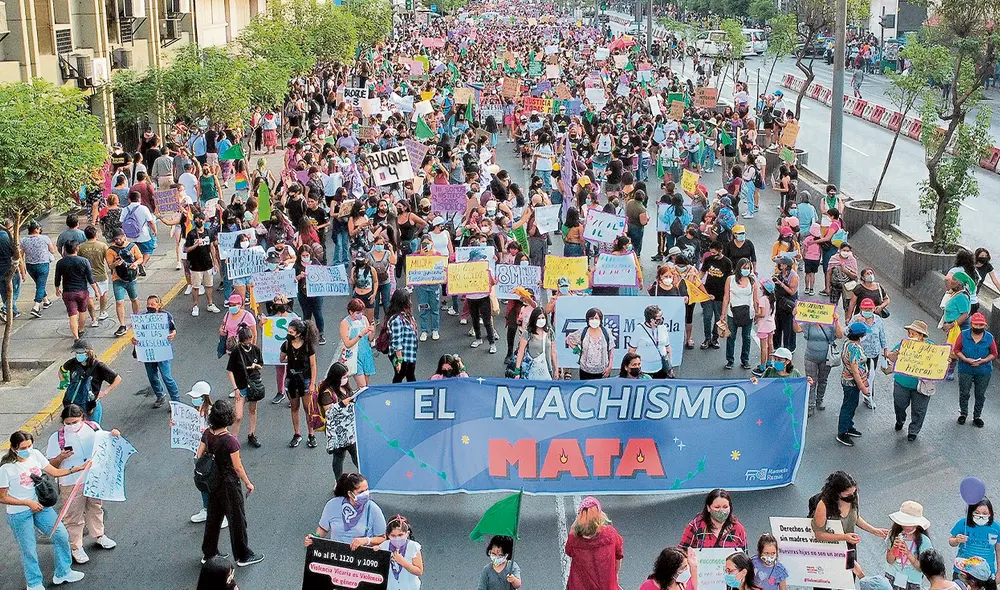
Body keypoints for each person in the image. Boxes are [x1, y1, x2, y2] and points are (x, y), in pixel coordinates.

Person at [1, 430, 88, 589]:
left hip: (40, 505)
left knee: (61, 534)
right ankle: (34, 584)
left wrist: (78, 469)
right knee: (28, 549)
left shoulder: (34, 454)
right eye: (23, 447)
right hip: (19, 512)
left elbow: (54, 471)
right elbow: (2, 497)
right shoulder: (6, 468)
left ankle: (63, 572)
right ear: (13, 448)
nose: (28, 449)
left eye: (29, 445)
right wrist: (27, 503)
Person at [44, 404, 119, 564]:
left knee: (95, 507)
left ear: (83, 418)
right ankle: (76, 546)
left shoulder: (94, 428)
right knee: (73, 516)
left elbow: (106, 444)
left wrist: (113, 435)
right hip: (70, 481)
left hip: (93, 478)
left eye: (75, 422)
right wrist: (61, 457)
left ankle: (99, 534)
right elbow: (51, 466)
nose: (71, 426)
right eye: (68, 423)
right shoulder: (56, 439)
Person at [197, 399, 264, 567]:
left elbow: (199, 456)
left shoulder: (207, 434)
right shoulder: (230, 441)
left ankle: (209, 552)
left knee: (213, 517)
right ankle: (242, 555)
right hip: (228, 484)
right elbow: (238, 467)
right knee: (237, 519)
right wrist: (248, 483)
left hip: (213, 482)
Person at [811, 470, 890, 576]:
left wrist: (874, 530)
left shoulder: (854, 496)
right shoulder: (823, 505)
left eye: (854, 492)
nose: (852, 496)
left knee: (849, 579)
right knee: (826, 578)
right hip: (829, 548)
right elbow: (819, 535)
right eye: (848, 494)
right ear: (836, 493)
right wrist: (844, 537)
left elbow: (855, 518)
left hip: (849, 545)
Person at [307, 472, 387, 548]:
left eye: (367, 490)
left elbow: (383, 538)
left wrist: (367, 540)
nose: (366, 494)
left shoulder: (373, 509)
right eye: (361, 492)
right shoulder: (332, 505)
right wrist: (314, 538)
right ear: (350, 494)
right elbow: (323, 529)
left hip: (362, 557)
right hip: (337, 554)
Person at [885, 320, 933, 441]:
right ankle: (900, 420)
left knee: (919, 410)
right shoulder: (904, 344)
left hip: (921, 385)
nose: (910, 336)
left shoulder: (931, 347)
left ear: (921, 335)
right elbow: (890, 357)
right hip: (902, 382)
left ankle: (913, 431)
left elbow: (939, 363)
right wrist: (893, 355)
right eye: (909, 333)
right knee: (899, 404)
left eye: (913, 334)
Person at [565, 496, 624, 590]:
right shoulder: (611, 534)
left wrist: (573, 528)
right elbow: (619, 555)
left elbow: (568, 551)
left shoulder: (574, 538)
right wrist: (615, 575)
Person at [133, 294, 179, 408]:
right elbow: (138, 334)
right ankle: (160, 395)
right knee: (152, 376)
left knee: (167, 377)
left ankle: (175, 400)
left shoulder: (166, 316)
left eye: (152, 304)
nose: (150, 306)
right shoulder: (142, 318)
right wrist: (134, 340)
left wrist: (172, 334)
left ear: (159, 305)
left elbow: (173, 330)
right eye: (148, 304)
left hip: (162, 352)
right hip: (149, 353)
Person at [60, 339, 121, 424]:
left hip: (91, 406)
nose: (78, 355)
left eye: (81, 353)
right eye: (77, 353)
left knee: (93, 432)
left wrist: (105, 392)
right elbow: (61, 370)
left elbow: (117, 379)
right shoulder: (73, 362)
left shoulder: (99, 366)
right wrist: (63, 381)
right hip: (74, 405)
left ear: (88, 353)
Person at [795, 313, 844, 416]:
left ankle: (819, 400)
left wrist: (837, 321)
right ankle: (810, 405)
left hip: (826, 358)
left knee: (823, 380)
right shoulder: (809, 323)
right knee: (811, 381)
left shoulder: (830, 324)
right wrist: (794, 317)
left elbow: (840, 335)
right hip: (810, 357)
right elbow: (797, 329)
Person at [281, 318, 319, 448]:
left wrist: (312, 383)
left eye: (291, 331)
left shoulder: (308, 346)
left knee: (307, 408)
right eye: (288, 331)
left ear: (298, 333)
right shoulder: (286, 344)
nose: (289, 333)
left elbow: (313, 365)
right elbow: (282, 358)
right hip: (292, 379)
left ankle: (311, 434)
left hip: (306, 379)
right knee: (294, 407)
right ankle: (297, 433)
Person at [317, 362, 359, 479]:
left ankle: (363, 478)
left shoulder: (344, 387)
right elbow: (329, 412)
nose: (346, 379)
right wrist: (341, 404)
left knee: (356, 455)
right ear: (336, 377)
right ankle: (338, 481)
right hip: (337, 432)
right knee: (339, 457)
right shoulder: (326, 392)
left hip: (350, 429)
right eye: (343, 377)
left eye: (346, 377)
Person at [954, 312, 996, 427]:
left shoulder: (989, 338)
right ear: (971, 324)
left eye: (980, 325)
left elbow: (994, 353)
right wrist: (966, 359)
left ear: (985, 326)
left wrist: (983, 361)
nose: (978, 327)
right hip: (965, 369)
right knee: (964, 392)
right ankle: (963, 413)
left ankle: (977, 416)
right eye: (976, 325)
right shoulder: (963, 335)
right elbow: (957, 350)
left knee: (980, 394)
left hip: (983, 371)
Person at [53, 239, 99, 341]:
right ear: (77, 249)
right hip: (82, 291)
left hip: (68, 292)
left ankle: (76, 337)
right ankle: (81, 330)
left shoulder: (60, 263)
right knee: (82, 311)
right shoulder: (84, 261)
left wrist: (57, 288)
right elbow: (90, 278)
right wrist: (96, 291)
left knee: (72, 315)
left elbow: (57, 278)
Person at [225, 325, 263, 446]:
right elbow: (230, 371)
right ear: (242, 340)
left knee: (253, 410)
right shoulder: (236, 352)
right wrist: (235, 388)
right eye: (247, 339)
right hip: (241, 386)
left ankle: (251, 434)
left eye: (250, 338)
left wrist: (255, 366)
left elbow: (261, 364)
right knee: (238, 415)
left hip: (253, 383)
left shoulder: (255, 349)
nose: (250, 341)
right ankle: (233, 439)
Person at [848, 298, 888, 409]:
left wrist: (885, 348)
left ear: (874, 309)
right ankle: (852, 399)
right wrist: (856, 323)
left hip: (873, 353)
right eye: (865, 308)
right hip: (859, 354)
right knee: (856, 375)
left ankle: (868, 398)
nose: (867, 310)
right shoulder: (856, 318)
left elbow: (882, 335)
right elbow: (846, 332)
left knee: (870, 376)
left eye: (869, 309)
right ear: (860, 309)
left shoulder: (878, 320)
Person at [884, 501, 933, 590]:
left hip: (912, 581)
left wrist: (908, 553)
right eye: (904, 522)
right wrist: (893, 549)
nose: (907, 526)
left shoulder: (924, 541)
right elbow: (890, 561)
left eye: (910, 523)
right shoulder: (893, 534)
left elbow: (922, 569)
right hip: (892, 576)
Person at [679, 488, 748, 550]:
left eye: (725, 507)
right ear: (709, 508)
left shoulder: (738, 529)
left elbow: (744, 558)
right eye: (717, 507)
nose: (722, 511)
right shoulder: (696, 525)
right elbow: (682, 551)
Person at [837, 322, 870, 447]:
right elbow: (855, 370)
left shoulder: (848, 343)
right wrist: (863, 387)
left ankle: (848, 426)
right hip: (851, 383)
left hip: (848, 380)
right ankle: (842, 432)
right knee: (848, 406)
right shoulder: (855, 349)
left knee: (851, 404)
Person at [105, 229, 142, 337]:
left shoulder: (132, 246)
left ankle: (136, 318)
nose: (118, 240)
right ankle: (122, 325)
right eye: (116, 239)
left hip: (131, 278)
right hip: (118, 279)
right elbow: (110, 266)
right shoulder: (110, 251)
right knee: (119, 302)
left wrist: (135, 264)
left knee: (134, 299)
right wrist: (116, 263)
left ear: (124, 236)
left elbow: (140, 258)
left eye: (120, 238)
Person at [723, 258, 758, 371]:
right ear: (739, 268)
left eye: (748, 268)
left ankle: (745, 360)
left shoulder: (752, 281)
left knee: (746, 338)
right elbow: (726, 297)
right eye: (744, 268)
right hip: (732, 313)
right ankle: (730, 360)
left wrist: (757, 313)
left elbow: (755, 299)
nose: (746, 270)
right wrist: (722, 314)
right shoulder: (731, 279)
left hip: (748, 313)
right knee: (731, 337)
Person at [950, 498, 1000, 576]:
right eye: (977, 513)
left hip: (986, 573)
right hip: (963, 571)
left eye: (984, 513)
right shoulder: (963, 523)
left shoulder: (996, 528)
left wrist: (999, 573)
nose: (981, 516)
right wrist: (957, 540)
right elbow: (951, 541)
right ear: (971, 512)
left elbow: (998, 551)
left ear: (990, 513)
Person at [185, 212, 221, 316]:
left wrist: (215, 262)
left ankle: (210, 304)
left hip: (207, 264)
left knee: (209, 285)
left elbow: (212, 248)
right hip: (195, 265)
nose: (198, 221)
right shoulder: (191, 234)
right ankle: (195, 305)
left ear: (204, 221)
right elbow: (187, 249)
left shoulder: (208, 232)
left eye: (200, 219)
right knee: (196, 287)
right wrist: (196, 245)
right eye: (196, 219)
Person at [565, 308, 614, 379]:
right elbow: (569, 339)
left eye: (596, 318)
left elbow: (611, 351)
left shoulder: (606, 332)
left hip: (603, 372)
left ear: (600, 319)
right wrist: (578, 350)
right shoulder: (583, 332)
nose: (594, 320)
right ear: (587, 320)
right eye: (591, 318)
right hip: (585, 371)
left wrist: (609, 367)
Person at [378, 515, 424, 590]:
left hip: (410, 587)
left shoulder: (413, 547)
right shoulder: (384, 546)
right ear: (388, 535)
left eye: (400, 535)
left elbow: (419, 571)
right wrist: (375, 553)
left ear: (407, 533)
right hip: (391, 587)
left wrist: (403, 563)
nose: (397, 538)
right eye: (393, 535)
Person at [21, 220, 57, 318]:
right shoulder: (45, 238)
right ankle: (36, 306)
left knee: (39, 283)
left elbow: (21, 254)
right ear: (36, 229)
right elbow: (53, 251)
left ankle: (46, 301)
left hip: (30, 265)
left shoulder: (23, 240)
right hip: (43, 264)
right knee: (40, 284)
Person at [700, 241, 732, 349]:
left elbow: (729, 279)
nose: (712, 255)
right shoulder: (708, 259)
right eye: (711, 252)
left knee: (718, 318)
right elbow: (703, 272)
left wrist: (728, 295)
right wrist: (696, 282)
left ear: (720, 251)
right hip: (707, 292)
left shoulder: (727, 262)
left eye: (714, 253)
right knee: (707, 316)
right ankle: (707, 338)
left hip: (720, 295)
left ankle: (715, 338)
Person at [514, 307, 558, 380]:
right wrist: (517, 371)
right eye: (538, 318)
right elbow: (520, 352)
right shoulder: (528, 333)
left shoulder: (550, 332)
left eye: (543, 318)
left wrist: (556, 370)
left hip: (547, 369)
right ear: (534, 319)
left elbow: (553, 352)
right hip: (530, 370)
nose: (541, 320)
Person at [120, 190, 157, 272]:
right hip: (143, 235)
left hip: (129, 236)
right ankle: (142, 264)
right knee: (148, 250)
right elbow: (151, 221)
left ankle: (134, 265)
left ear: (129, 199)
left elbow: (121, 222)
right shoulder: (144, 208)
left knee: (132, 251)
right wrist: (154, 230)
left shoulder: (125, 209)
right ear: (139, 199)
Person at [387, 290, 419, 383]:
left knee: (410, 375)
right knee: (400, 376)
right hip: (401, 355)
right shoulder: (397, 320)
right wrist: (399, 361)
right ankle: (395, 394)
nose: (411, 302)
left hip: (410, 353)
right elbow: (397, 341)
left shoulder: (407, 315)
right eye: (408, 299)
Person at [634, 304, 674, 378]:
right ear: (651, 320)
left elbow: (667, 347)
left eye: (662, 317)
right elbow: (632, 350)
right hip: (644, 370)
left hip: (661, 368)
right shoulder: (639, 329)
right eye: (658, 319)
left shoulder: (663, 328)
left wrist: (669, 367)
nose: (661, 320)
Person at [771, 254, 799, 352]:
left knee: (789, 326)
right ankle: (776, 345)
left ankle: (789, 347)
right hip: (780, 302)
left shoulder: (794, 276)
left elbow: (792, 292)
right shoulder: (781, 273)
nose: (779, 265)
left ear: (786, 265)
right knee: (778, 324)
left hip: (789, 303)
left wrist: (781, 284)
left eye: (782, 264)